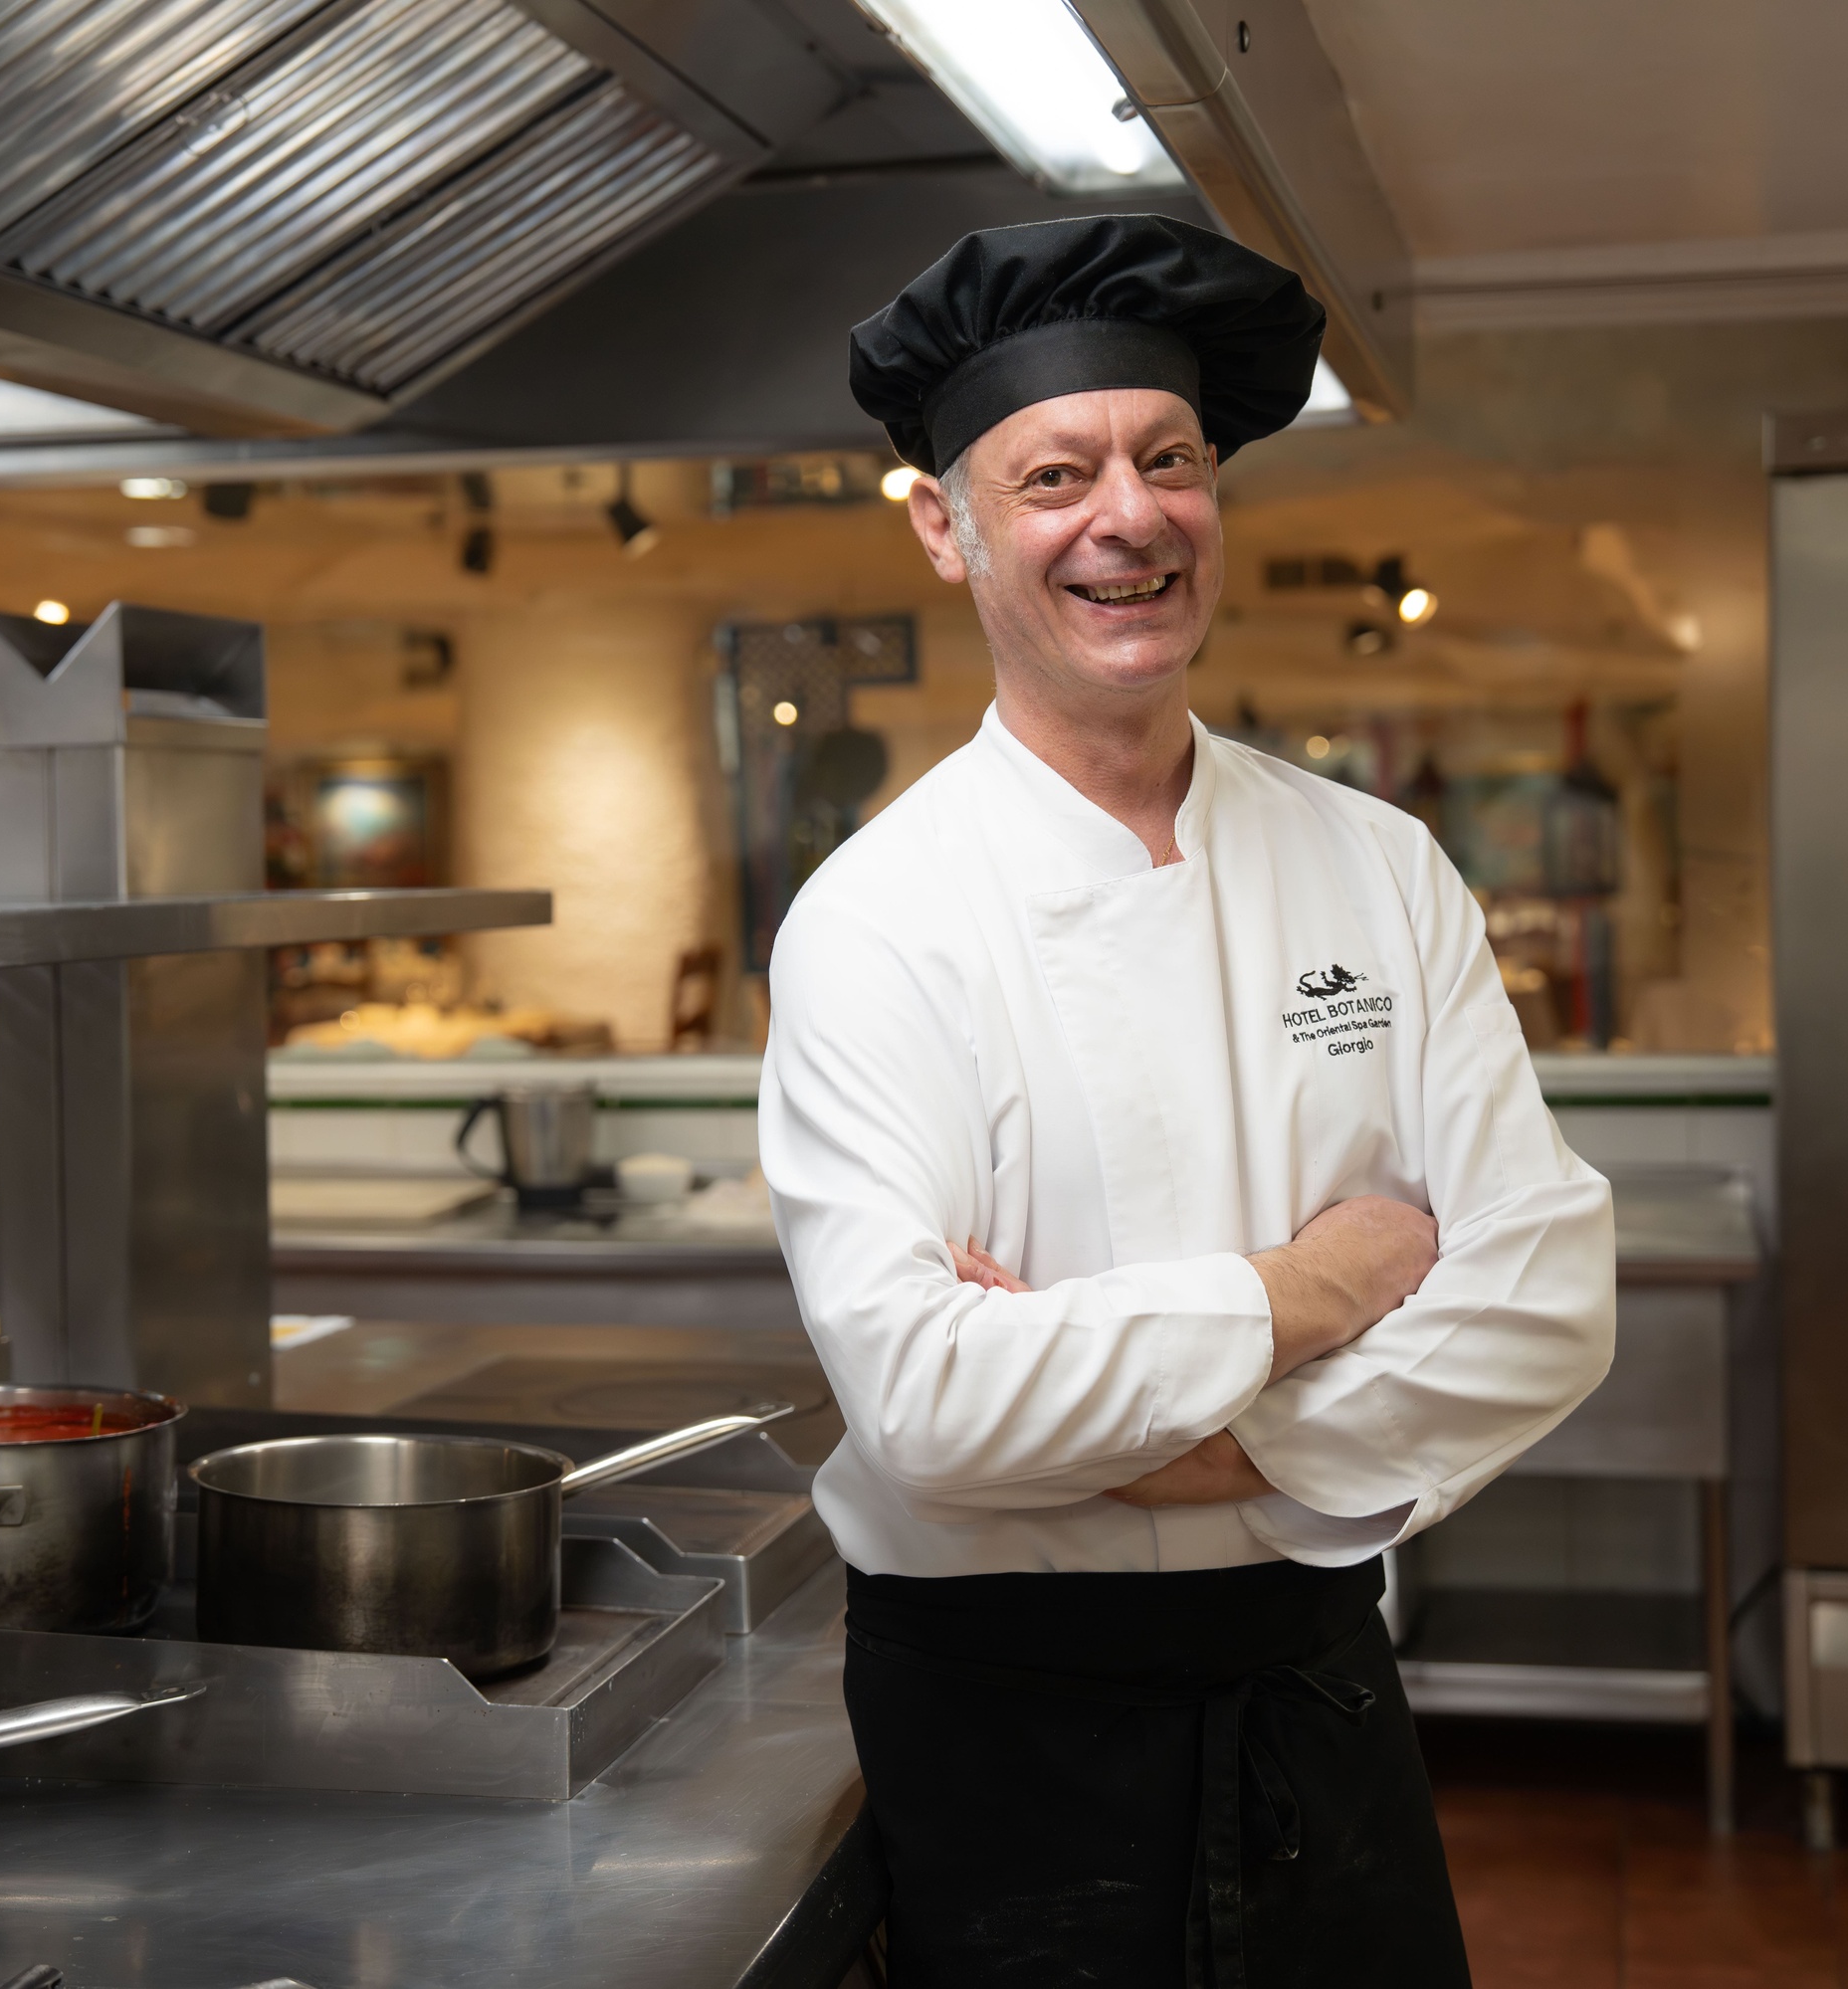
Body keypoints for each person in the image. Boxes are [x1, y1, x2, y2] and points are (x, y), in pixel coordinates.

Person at [757, 215, 1616, 1988]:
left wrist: (1170, 1451)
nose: (1127, 519)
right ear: (948, 525)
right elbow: (929, 1405)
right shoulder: (880, 916)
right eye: (1055, 474)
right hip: (1006, 1730)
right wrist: (1316, 1291)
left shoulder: (1377, 867)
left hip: (1316, 1681)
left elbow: (1544, 1301)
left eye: (1170, 463)